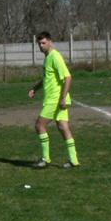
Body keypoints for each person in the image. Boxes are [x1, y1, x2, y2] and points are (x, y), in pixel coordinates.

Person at [28, 32, 80, 168]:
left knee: (39, 125)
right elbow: (47, 78)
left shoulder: (55, 56)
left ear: (50, 42)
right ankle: (74, 160)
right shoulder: (47, 58)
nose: (41, 45)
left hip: (55, 100)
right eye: (39, 43)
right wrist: (35, 88)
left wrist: (62, 98)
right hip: (55, 99)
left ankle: (45, 159)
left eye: (43, 43)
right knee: (63, 127)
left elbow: (68, 77)